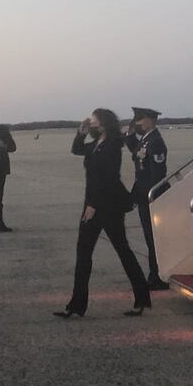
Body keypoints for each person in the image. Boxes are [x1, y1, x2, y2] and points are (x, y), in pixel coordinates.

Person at [54, 108, 152, 318]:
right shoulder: (96, 145)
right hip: (93, 203)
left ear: (104, 123)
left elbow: (108, 178)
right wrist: (81, 132)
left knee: (122, 250)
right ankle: (76, 306)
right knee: (83, 253)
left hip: (108, 206)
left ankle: (142, 298)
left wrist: (93, 205)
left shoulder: (112, 146)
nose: (92, 123)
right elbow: (77, 150)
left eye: (94, 120)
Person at [124, 107, 170, 290]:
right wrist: (130, 133)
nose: (137, 123)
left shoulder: (156, 142)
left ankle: (158, 276)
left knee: (154, 238)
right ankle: (155, 274)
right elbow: (136, 153)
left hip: (153, 198)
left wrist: (151, 199)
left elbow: (157, 175)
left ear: (150, 120)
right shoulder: (145, 141)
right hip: (144, 196)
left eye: (140, 120)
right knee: (150, 238)